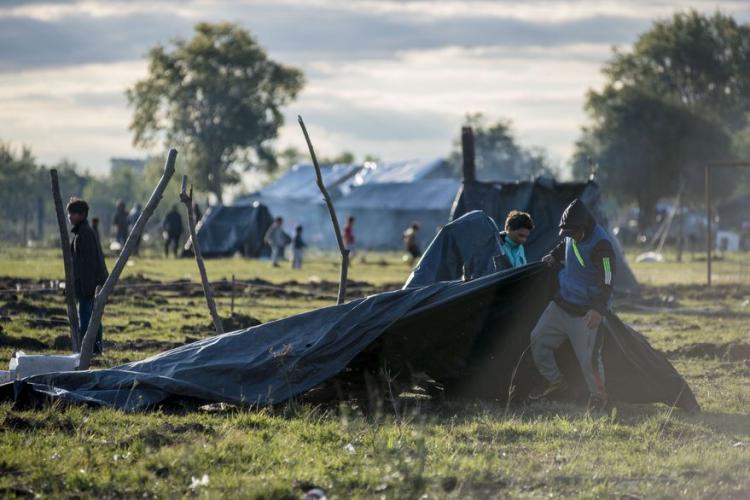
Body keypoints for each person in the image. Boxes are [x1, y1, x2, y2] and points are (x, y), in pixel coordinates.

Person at [528, 199, 616, 408]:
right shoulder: (572, 234)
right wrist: (554, 255)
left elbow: (608, 278)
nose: (570, 237)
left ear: (583, 229)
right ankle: (556, 384)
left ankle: (599, 399)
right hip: (561, 304)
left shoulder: (602, 245)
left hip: (585, 314)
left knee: (589, 362)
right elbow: (565, 245)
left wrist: (598, 309)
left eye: (572, 233)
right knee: (538, 340)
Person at [67, 198, 109, 355]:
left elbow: (88, 264)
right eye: (69, 213)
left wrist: (86, 288)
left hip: (89, 285)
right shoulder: (83, 232)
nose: (70, 216)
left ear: (82, 214)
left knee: (86, 319)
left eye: (73, 213)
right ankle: (96, 350)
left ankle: (86, 351)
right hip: (91, 284)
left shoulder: (84, 234)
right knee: (94, 318)